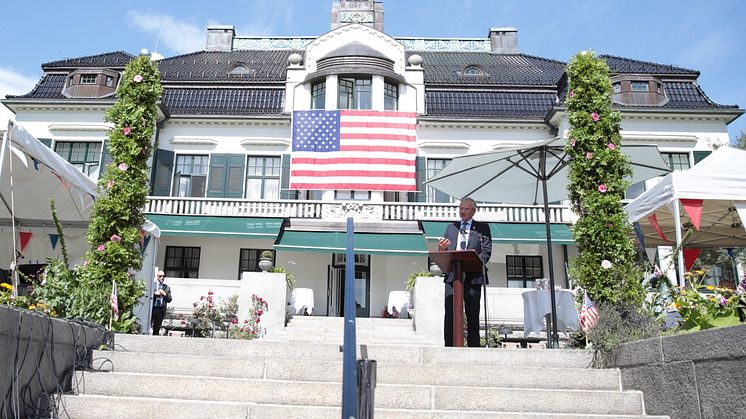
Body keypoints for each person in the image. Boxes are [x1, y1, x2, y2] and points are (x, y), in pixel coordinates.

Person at [437, 197, 492, 347]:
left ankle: (474, 348)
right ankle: (449, 347)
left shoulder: (482, 228)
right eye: (461, 208)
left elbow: (486, 252)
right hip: (452, 276)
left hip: (473, 277)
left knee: (472, 314)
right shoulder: (451, 228)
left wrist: (473, 261)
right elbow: (445, 252)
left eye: (466, 209)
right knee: (450, 314)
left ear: (473, 211)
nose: (463, 212)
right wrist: (441, 249)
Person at [151, 271, 172, 335]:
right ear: (157, 277)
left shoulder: (166, 287)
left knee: (156, 328)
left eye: (163, 276)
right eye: (160, 276)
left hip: (160, 309)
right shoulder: (152, 285)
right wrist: (154, 294)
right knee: (147, 325)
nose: (162, 277)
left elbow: (169, 299)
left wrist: (164, 294)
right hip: (152, 308)